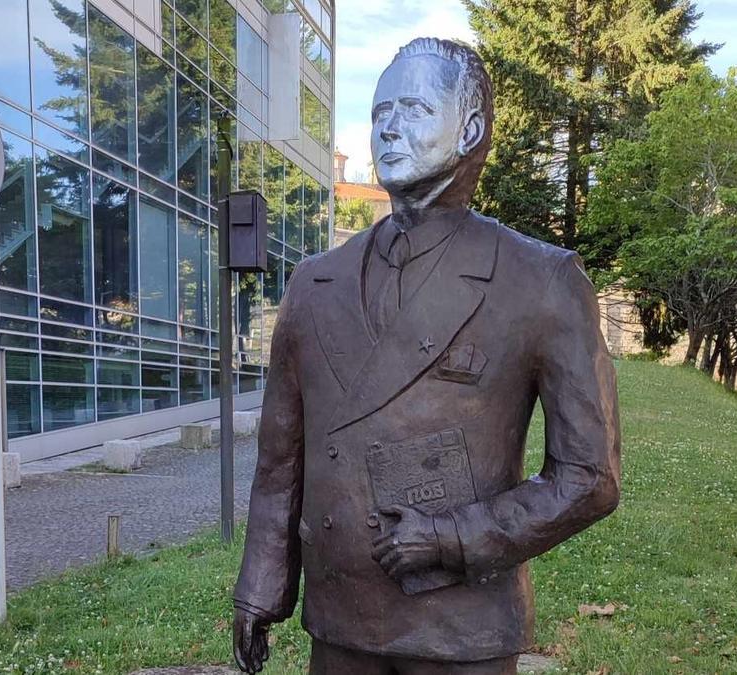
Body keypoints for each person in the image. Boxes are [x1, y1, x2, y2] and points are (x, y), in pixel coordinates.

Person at [233, 37, 621, 674]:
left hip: (460, 629)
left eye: (412, 108)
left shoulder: (539, 280)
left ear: (469, 129)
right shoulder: (314, 282)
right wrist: (262, 588)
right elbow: (281, 461)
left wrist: (452, 538)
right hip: (340, 623)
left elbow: (589, 478)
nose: (388, 127)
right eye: (380, 111)